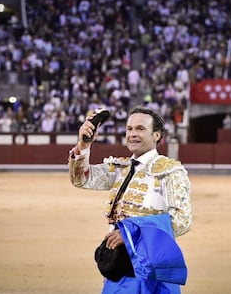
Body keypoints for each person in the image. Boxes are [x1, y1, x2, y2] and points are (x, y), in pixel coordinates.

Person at [68, 106, 192, 293]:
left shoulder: (170, 171)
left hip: (151, 269)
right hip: (118, 266)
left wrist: (130, 233)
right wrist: (84, 146)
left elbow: (182, 221)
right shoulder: (121, 168)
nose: (133, 134)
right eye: (129, 129)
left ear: (157, 135)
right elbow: (82, 179)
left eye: (140, 129)